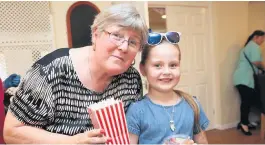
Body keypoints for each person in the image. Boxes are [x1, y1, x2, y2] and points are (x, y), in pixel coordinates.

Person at [4, 4, 148, 144]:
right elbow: (12, 132)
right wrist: (72, 141)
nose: (124, 47)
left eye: (133, 42)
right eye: (117, 35)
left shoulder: (131, 79)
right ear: (95, 34)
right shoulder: (50, 71)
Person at [126, 31, 209, 144]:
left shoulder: (193, 105)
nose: (166, 71)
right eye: (157, 65)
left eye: (173, 65)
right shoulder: (137, 111)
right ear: (143, 69)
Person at [233, 30, 265, 136]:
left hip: (240, 78)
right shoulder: (254, 47)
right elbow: (256, 62)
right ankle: (244, 125)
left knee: (249, 101)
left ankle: (244, 122)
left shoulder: (247, 47)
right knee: (247, 102)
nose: (263, 41)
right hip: (245, 79)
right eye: (262, 38)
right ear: (256, 37)